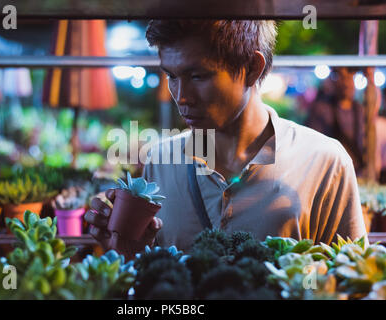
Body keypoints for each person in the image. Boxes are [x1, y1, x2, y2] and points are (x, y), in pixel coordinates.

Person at [85, 20, 366, 260]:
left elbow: (350, 278)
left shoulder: (323, 161)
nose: (181, 97)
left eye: (198, 76)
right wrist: (129, 251)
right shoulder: (160, 160)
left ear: (252, 68)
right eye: (171, 76)